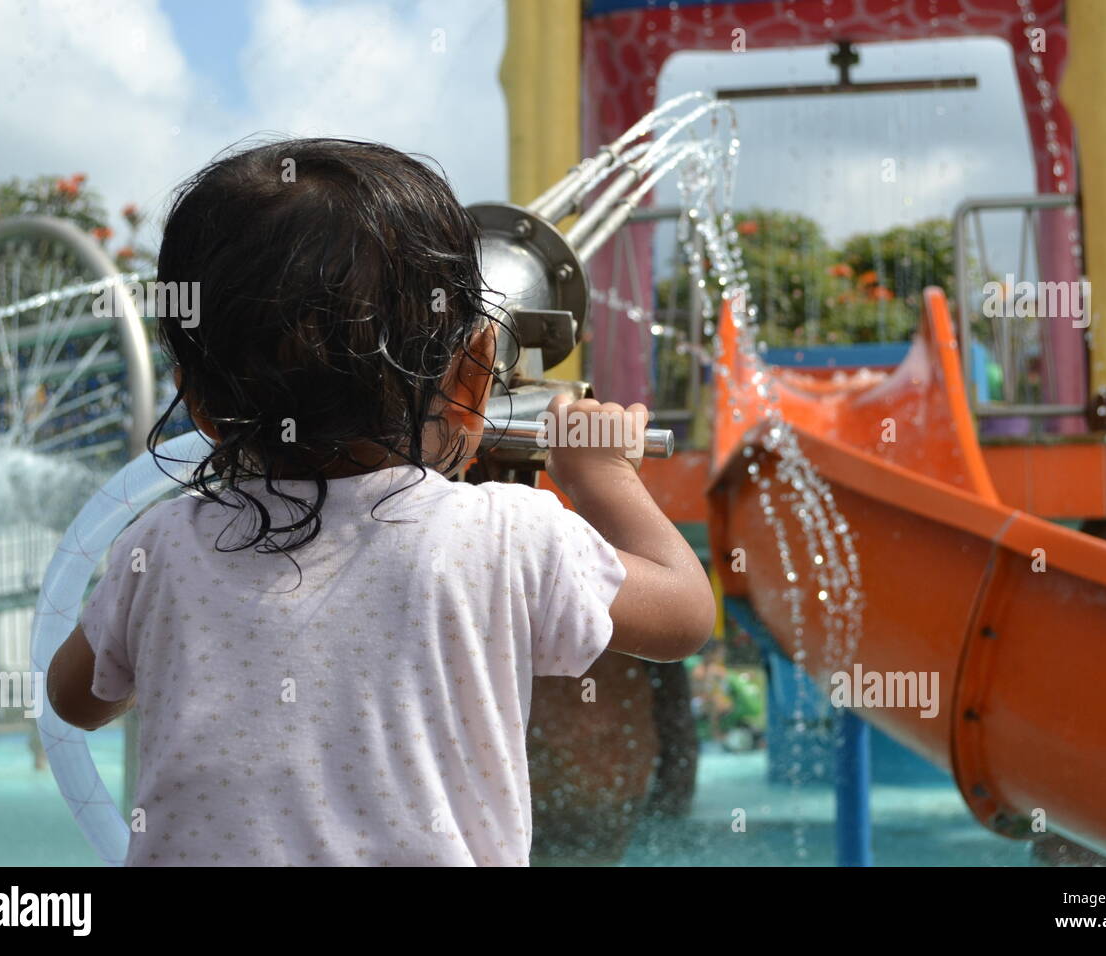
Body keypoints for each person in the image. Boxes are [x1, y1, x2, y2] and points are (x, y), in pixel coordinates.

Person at [45, 138, 714, 866]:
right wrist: (602, 478)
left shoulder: (162, 544)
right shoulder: (504, 536)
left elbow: (75, 700)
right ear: (474, 376)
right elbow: (684, 615)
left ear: (201, 404)